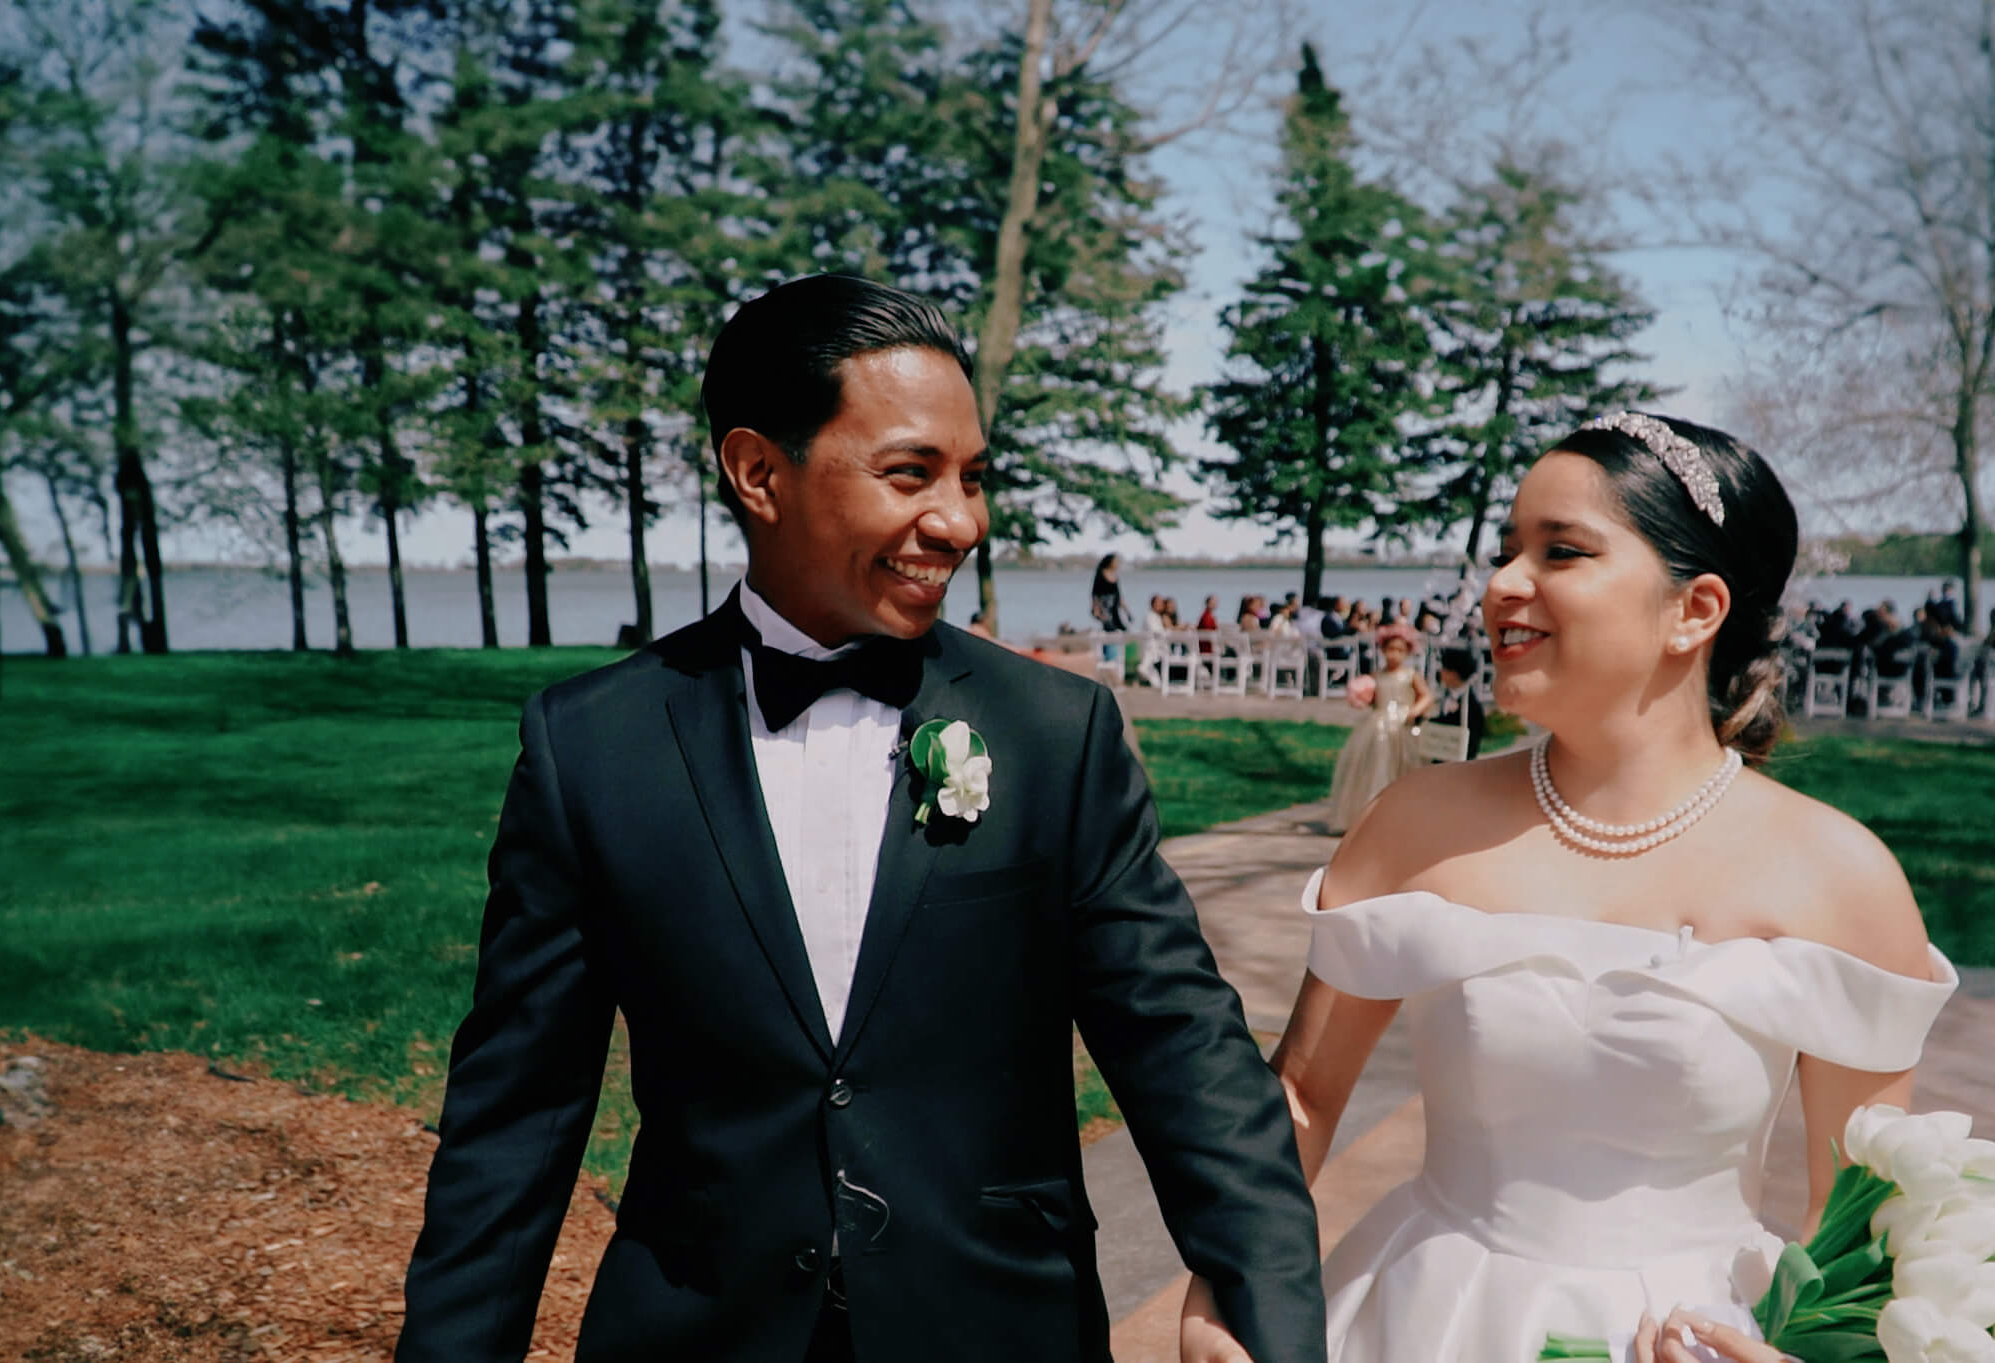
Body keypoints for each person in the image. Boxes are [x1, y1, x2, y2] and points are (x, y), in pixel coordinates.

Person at [398, 275, 1325, 1363]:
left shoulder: (1053, 734)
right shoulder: (591, 748)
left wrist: (1268, 1311)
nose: (961, 520)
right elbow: (517, 1119)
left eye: (974, 478)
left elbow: (1183, 1048)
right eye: (909, 474)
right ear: (757, 473)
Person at [1182, 412, 1955, 1363]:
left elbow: (1864, 1222)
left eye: (1562, 550)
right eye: (1509, 549)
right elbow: (1300, 1092)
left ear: (1695, 610)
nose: (1502, 584)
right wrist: (1222, 1288)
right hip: (1426, 1318)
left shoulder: (1840, 876)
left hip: (1694, 1335)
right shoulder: (1413, 827)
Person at [1323, 623, 1433, 836]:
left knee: (1401, 768)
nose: (1394, 655)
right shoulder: (1376, 675)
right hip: (1378, 724)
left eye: (1400, 650)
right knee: (1373, 767)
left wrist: (1414, 711)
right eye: (1390, 649)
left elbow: (1426, 695)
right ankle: (1366, 816)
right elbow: (1373, 699)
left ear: (1408, 652)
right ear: (1383, 650)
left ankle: (1401, 817)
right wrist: (1361, 697)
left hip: (1402, 724)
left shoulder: (1410, 675)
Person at [1427, 647, 1488, 761]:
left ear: (1454, 673)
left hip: (1458, 761)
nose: (1441, 672)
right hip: (1443, 756)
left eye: (1445, 668)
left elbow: (1472, 741)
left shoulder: (1470, 705)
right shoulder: (1448, 696)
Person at [1089, 553, 1130, 664]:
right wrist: (1096, 609)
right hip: (1104, 609)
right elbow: (1095, 594)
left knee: (1121, 630)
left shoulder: (1115, 576)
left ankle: (1113, 660)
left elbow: (1119, 596)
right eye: (1115, 561)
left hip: (1114, 609)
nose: (1117, 564)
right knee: (1109, 631)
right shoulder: (1101, 574)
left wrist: (1127, 612)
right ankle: (1108, 661)